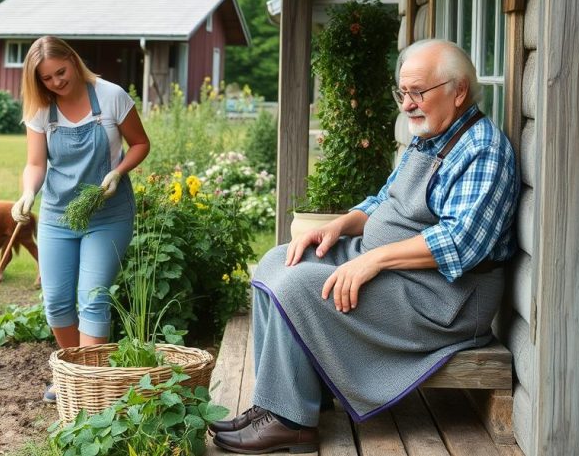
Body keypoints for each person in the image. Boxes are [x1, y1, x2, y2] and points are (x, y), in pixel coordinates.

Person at [211, 39, 519, 453]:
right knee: (277, 260)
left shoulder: (483, 150)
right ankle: (280, 401)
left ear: (458, 90)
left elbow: (460, 244)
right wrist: (339, 226)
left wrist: (372, 259)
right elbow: (382, 202)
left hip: (448, 299)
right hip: (402, 272)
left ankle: (292, 424)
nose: (407, 104)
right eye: (402, 93)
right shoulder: (432, 138)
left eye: (417, 92)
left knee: (300, 285)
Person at [10, 36, 150, 403]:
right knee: (56, 301)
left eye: (61, 71)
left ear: (73, 61)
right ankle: (70, 374)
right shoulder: (41, 108)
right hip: (58, 214)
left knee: (92, 298)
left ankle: (89, 381)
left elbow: (140, 143)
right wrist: (28, 193)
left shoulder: (110, 96)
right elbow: (37, 163)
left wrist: (118, 172)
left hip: (108, 213)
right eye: (47, 78)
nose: (57, 82)